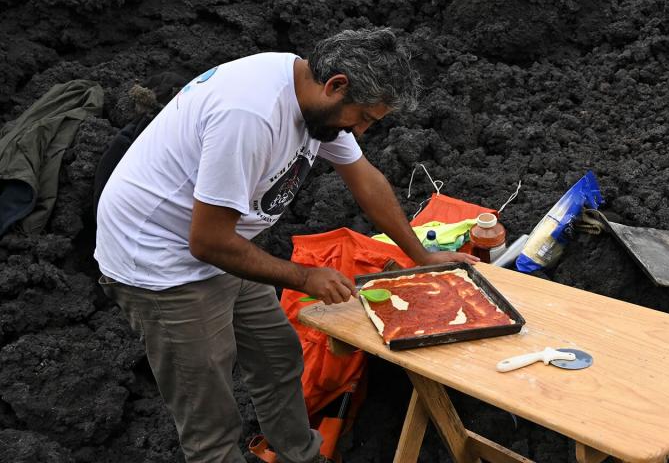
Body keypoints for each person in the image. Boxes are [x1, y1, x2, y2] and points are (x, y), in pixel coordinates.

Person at [94, 27, 476, 463]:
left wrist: (421, 255)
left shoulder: (313, 95)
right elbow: (207, 242)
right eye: (365, 118)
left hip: (228, 246)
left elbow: (365, 179)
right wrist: (304, 276)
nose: (363, 131)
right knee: (211, 417)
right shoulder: (250, 115)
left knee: (278, 358)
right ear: (336, 86)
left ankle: (302, 455)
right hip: (162, 266)